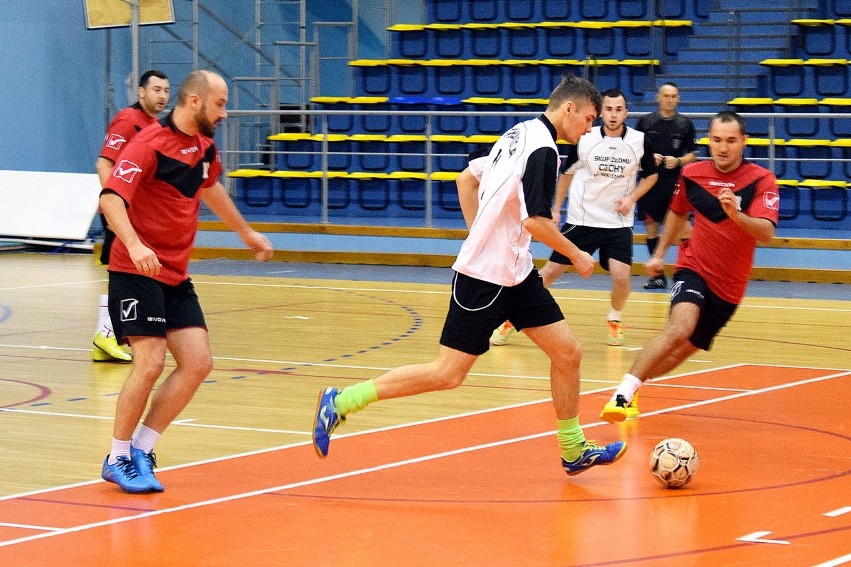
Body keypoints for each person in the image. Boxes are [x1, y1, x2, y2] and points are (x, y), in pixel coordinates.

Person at [312, 75, 627, 476]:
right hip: (485, 279)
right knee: (447, 374)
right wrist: (577, 254)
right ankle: (340, 402)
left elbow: (467, 178)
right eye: (587, 119)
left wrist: (478, 232)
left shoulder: (518, 133)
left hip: (516, 273)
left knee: (568, 353)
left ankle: (572, 449)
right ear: (569, 110)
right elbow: (535, 220)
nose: (588, 128)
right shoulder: (543, 150)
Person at [99, 70, 274, 493]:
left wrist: (246, 233)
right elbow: (110, 199)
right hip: (135, 269)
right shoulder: (147, 143)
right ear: (194, 102)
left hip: (174, 273)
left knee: (198, 363)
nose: (226, 113)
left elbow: (211, 190)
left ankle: (142, 447)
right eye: (220, 104)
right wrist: (137, 244)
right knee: (151, 363)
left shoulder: (204, 148)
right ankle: (117, 456)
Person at [600, 111, 779, 422]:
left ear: (744, 142)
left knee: (686, 348)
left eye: (731, 141)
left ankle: (637, 384)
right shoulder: (693, 173)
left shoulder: (761, 180)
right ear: (708, 140)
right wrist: (659, 253)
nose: (722, 148)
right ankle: (621, 395)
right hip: (693, 267)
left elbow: (766, 232)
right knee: (680, 328)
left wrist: (737, 215)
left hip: (730, 286)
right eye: (716, 140)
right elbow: (678, 213)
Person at [489, 89, 658, 348]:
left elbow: (652, 175)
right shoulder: (586, 137)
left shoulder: (640, 141)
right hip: (582, 219)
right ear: (601, 112)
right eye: (608, 109)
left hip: (617, 223)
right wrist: (555, 208)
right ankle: (511, 319)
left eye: (619, 109)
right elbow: (566, 173)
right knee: (551, 271)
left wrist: (631, 198)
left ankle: (615, 319)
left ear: (626, 112)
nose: (613, 114)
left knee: (622, 276)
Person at [93, 69, 171, 362]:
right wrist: (116, 205)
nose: (162, 96)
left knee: (133, 274)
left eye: (166, 90)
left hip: (139, 213)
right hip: (122, 213)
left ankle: (107, 336)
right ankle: (107, 334)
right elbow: (104, 163)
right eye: (156, 90)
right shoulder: (128, 121)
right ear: (141, 92)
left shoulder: (157, 126)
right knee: (124, 272)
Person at [635, 82, 697, 290]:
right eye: (666, 96)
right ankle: (657, 275)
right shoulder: (645, 122)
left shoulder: (685, 124)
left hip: (675, 183)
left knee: (684, 228)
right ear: (658, 98)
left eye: (673, 96)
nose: (669, 99)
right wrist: (650, 157)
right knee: (651, 226)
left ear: (678, 98)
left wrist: (678, 161)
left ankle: (686, 272)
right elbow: (635, 150)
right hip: (650, 181)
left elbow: (693, 154)